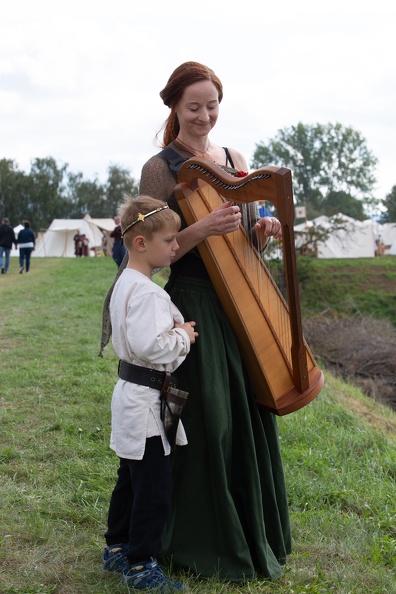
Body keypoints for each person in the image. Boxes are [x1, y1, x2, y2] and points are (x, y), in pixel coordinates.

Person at [137, 61, 291, 582]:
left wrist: (261, 227)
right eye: (194, 107)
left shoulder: (234, 159)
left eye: (212, 105)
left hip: (239, 302)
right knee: (210, 421)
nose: (205, 116)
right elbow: (154, 253)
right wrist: (201, 228)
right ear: (175, 109)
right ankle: (199, 537)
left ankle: (251, 530)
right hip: (195, 303)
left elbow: (243, 236)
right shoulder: (160, 169)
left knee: (245, 414)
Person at [102, 194, 198, 591]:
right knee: (154, 490)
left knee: (130, 479)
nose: (177, 246)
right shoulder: (147, 293)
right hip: (144, 403)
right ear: (140, 243)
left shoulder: (128, 281)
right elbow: (150, 346)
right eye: (170, 240)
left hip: (134, 396)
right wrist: (183, 336)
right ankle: (140, 565)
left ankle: (117, 547)